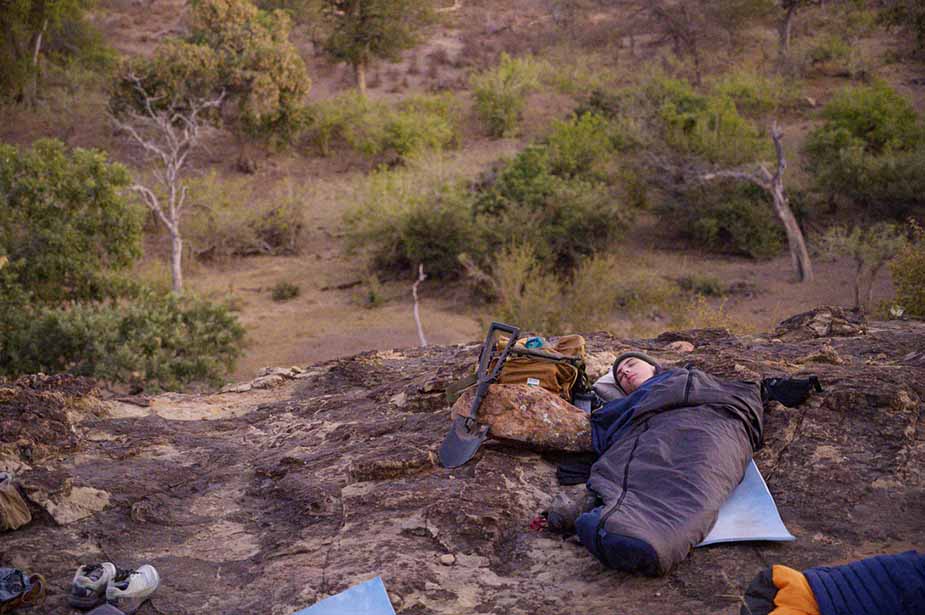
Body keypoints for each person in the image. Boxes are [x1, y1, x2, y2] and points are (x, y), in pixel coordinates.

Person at [560, 350, 766, 576]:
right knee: (655, 466)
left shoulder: (693, 379)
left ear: (654, 367)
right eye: (619, 375)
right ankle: (634, 530)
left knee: (704, 469)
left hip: (716, 423)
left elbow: (745, 393)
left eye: (630, 364)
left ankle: (638, 535)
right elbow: (603, 427)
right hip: (657, 428)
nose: (625, 371)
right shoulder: (628, 404)